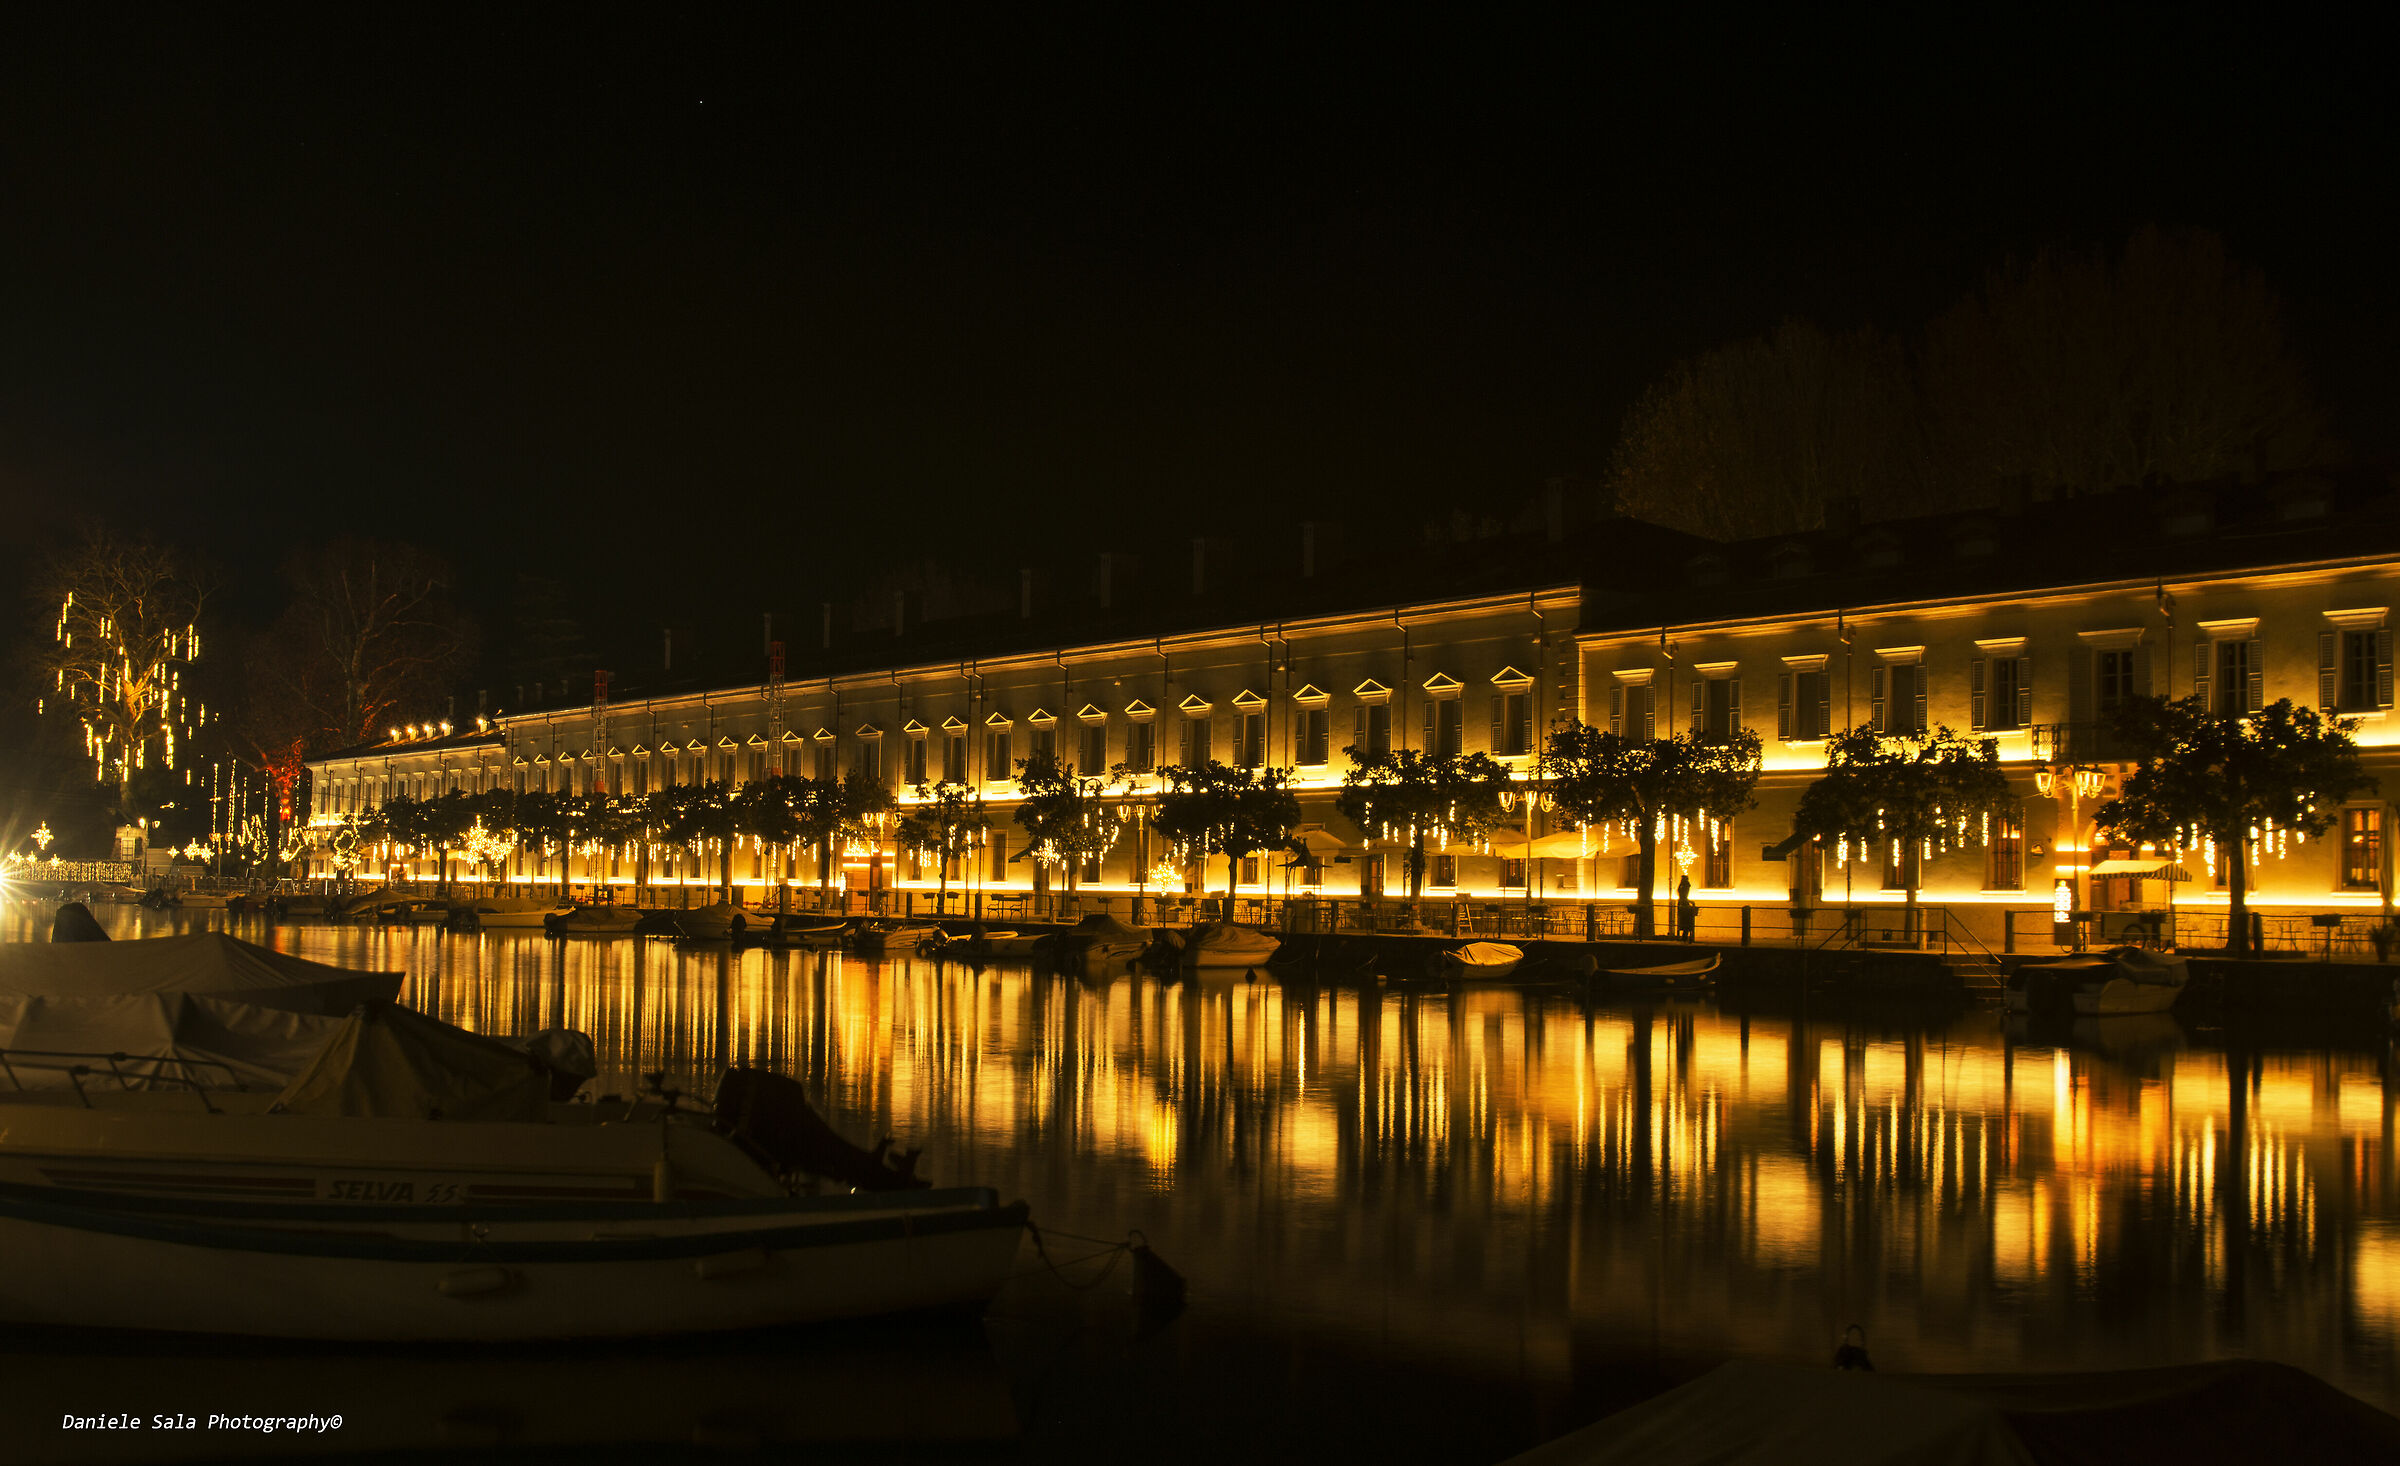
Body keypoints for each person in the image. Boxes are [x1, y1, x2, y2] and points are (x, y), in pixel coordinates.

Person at [1676, 874, 1697, 942]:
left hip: (1682, 904)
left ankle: (1684, 936)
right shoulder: (1685, 885)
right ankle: (1685, 935)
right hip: (1684, 904)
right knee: (1686, 921)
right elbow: (1683, 895)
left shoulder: (1684, 885)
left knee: (1684, 921)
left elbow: (1681, 893)